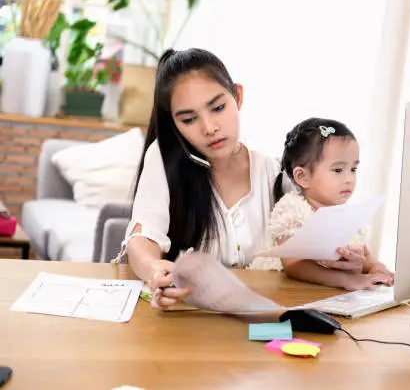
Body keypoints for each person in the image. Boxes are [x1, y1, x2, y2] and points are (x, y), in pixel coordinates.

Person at [114, 48, 368, 310]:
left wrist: (349, 260)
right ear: (174, 124)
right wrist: (154, 268)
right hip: (190, 323)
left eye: (219, 108)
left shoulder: (274, 173)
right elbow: (142, 238)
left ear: (239, 97)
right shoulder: (164, 160)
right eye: (189, 119)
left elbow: (314, 244)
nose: (209, 127)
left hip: (262, 320)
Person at [251, 118, 395, 290]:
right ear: (302, 177)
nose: (349, 179)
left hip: (321, 296)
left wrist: (375, 268)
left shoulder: (347, 215)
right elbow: (294, 265)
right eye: (338, 170)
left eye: (353, 169)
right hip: (279, 294)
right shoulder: (292, 209)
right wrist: (347, 280)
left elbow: (364, 257)